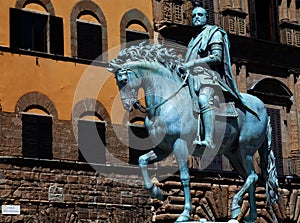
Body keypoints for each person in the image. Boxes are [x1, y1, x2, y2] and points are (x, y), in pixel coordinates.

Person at [180, 6, 243, 150]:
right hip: (192, 77)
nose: (196, 17)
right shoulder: (193, 39)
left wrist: (194, 63)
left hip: (209, 77)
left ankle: (208, 139)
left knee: (203, 100)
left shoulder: (214, 33)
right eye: (194, 15)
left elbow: (216, 57)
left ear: (206, 17)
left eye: (200, 15)